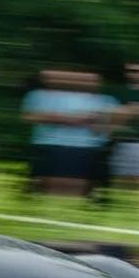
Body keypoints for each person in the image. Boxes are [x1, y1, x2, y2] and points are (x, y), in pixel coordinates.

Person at [21, 69, 120, 197]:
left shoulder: (106, 100)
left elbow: (111, 124)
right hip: (50, 145)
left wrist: (95, 120)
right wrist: (73, 119)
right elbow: (30, 116)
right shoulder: (39, 95)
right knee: (43, 184)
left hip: (89, 149)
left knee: (84, 187)